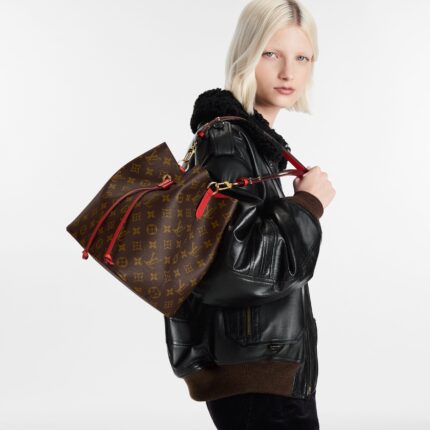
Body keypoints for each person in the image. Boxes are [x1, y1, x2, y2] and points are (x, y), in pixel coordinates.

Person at [164, 0, 336, 428]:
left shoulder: (250, 144)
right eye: (271, 53)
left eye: (302, 58)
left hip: (263, 370)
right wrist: (308, 206)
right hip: (257, 381)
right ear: (246, 54)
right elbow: (240, 269)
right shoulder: (228, 142)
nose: (288, 72)